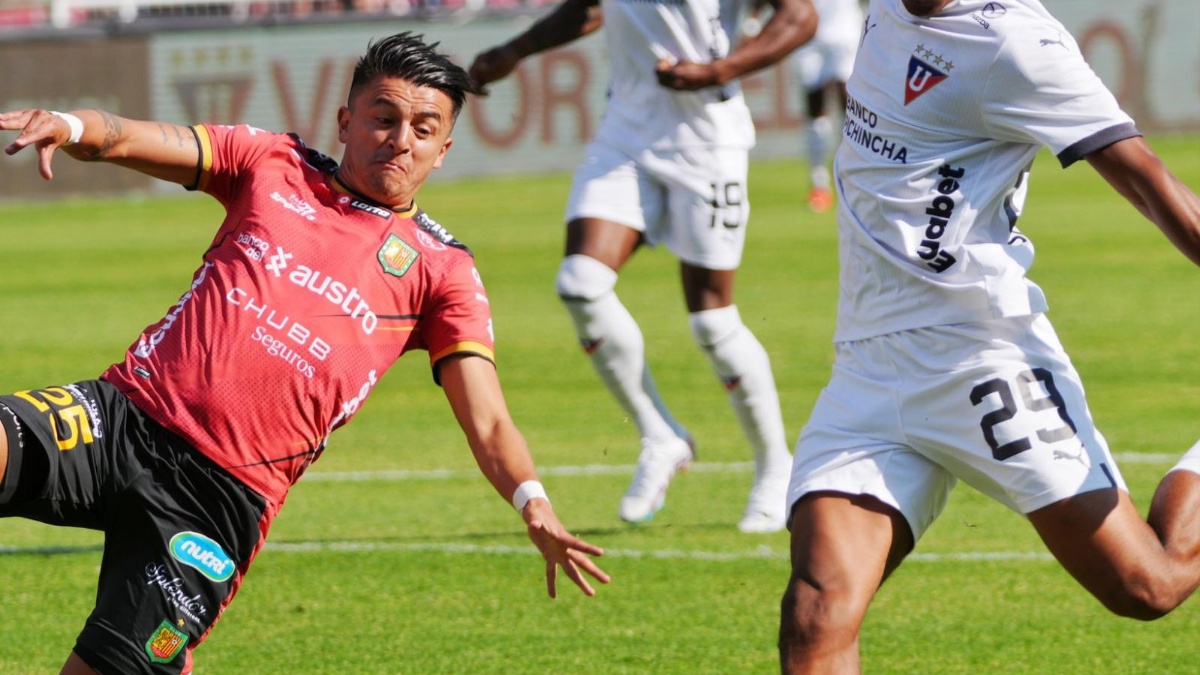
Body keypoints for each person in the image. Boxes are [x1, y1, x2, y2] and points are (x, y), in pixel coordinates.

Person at [0, 32, 609, 675]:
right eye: (384, 118)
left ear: (442, 150)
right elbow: (123, 135)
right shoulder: (271, 164)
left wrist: (532, 501)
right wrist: (67, 124)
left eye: (423, 129)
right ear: (347, 121)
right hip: (123, 417)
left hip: (219, 499)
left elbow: (487, 419)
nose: (401, 139)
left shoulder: (443, 271)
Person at [777, 0, 1200, 671]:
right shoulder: (883, 9)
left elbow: (1148, 181)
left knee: (1149, 584)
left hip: (978, 357)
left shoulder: (1016, 45)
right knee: (815, 614)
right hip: (866, 364)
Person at [467, 0, 817, 533]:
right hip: (625, 134)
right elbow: (590, 8)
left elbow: (801, 16)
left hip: (708, 140)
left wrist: (721, 69)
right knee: (580, 284)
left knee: (711, 321)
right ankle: (660, 435)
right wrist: (515, 51)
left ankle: (775, 468)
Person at [788, 0, 862, 213]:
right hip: (809, 33)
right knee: (815, 107)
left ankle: (849, 176)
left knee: (850, 104)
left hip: (844, 30)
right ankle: (819, 183)